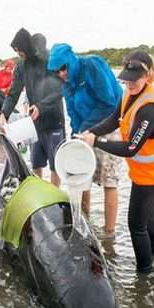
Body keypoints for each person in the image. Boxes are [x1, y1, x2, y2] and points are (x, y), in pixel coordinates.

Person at [79, 50, 154, 272]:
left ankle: (145, 274)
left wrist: (97, 142)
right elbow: (113, 120)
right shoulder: (128, 95)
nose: (129, 83)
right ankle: (153, 255)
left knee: (136, 224)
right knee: (147, 214)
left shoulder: (150, 108)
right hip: (142, 172)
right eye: (126, 79)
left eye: (135, 79)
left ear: (148, 75)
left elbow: (131, 148)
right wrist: (90, 132)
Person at [47, 42, 122, 237]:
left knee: (109, 180)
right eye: (56, 71)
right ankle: (84, 222)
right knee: (80, 177)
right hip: (85, 131)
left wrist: (87, 128)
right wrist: (76, 135)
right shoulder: (66, 84)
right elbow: (73, 112)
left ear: (70, 61)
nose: (61, 74)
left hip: (110, 126)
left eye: (63, 68)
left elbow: (109, 102)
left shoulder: (91, 66)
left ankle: (109, 234)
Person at [0, 28, 65, 186]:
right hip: (34, 125)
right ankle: (41, 201)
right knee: (36, 164)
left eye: (18, 49)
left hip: (54, 121)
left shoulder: (49, 60)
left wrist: (41, 107)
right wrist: (4, 114)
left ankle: (55, 200)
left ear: (25, 46)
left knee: (56, 166)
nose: (17, 53)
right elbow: (14, 93)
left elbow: (60, 90)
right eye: (15, 50)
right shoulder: (21, 67)